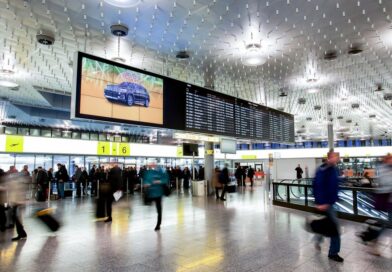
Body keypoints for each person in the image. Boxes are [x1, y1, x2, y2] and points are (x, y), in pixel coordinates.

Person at [313, 151, 343, 262]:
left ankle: (317, 238)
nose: (338, 159)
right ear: (329, 158)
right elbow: (318, 186)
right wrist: (321, 202)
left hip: (330, 202)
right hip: (325, 204)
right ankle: (333, 253)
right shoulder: (323, 170)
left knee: (326, 224)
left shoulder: (334, 169)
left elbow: (334, 184)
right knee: (335, 230)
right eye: (336, 157)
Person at [143, 165, 169, 231]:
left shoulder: (160, 170)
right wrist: (146, 184)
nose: (151, 165)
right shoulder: (148, 172)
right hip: (151, 193)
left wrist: (159, 181)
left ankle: (158, 224)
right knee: (151, 205)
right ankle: (158, 224)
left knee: (159, 210)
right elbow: (146, 180)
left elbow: (165, 178)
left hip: (158, 193)